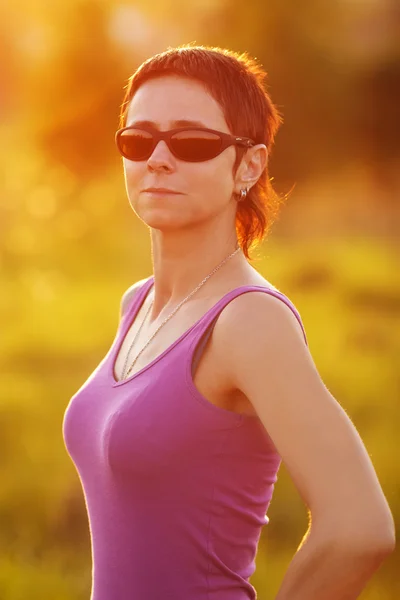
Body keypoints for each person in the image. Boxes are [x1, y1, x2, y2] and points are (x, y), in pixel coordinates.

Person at [63, 44, 395, 600]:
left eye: (193, 142)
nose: (159, 159)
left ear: (249, 164)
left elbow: (359, 527)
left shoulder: (249, 322)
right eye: (139, 140)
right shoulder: (138, 304)